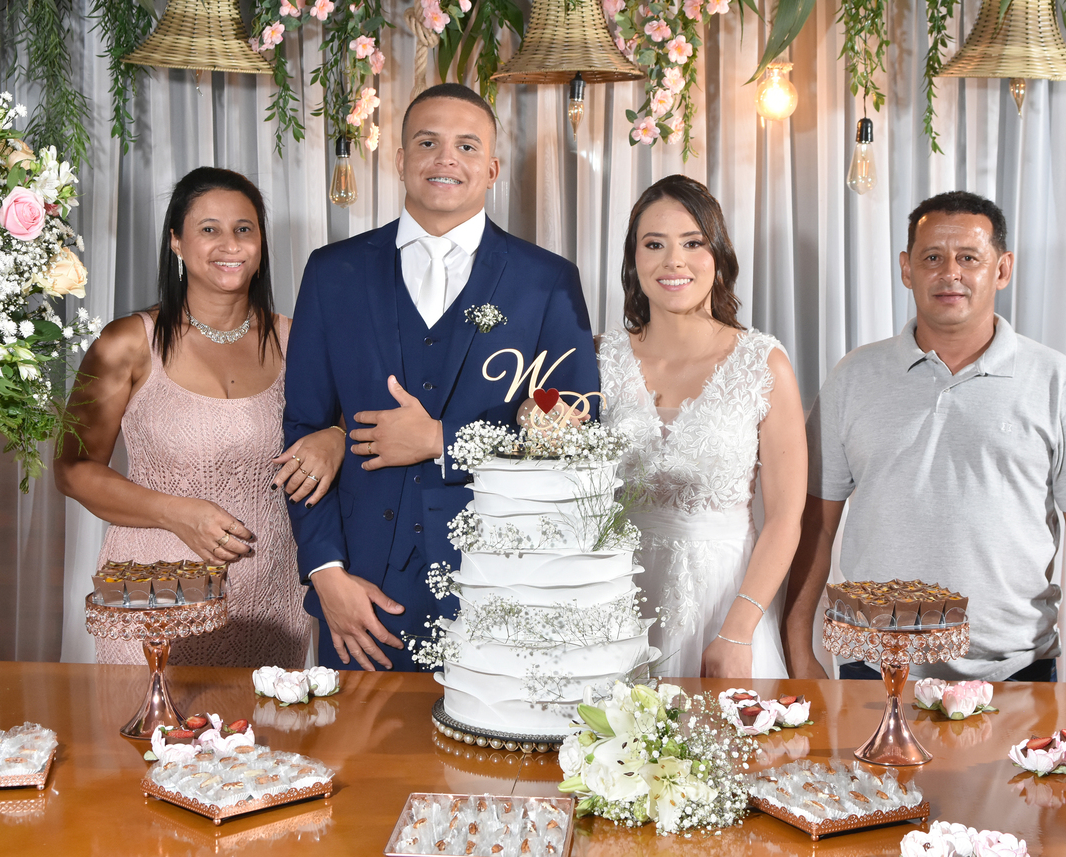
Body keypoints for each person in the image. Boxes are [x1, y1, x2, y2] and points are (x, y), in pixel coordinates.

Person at [283, 83, 600, 672]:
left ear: (493, 168)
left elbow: (578, 431)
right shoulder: (333, 272)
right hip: (362, 596)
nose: (446, 158)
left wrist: (442, 442)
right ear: (400, 160)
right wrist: (326, 574)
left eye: (467, 145)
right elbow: (303, 430)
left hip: (500, 586)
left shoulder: (547, 281)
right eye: (427, 142)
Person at [782, 190, 1066, 683]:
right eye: (932, 258)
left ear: (1002, 269)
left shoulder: (1055, 380)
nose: (951, 274)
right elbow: (814, 523)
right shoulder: (854, 376)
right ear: (907, 269)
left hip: (1016, 668)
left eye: (969, 257)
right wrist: (798, 648)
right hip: (874, 667)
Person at [56, 167, 344, 668]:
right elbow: (73, 470)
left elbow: (342, 431)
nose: (229, 244)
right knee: (148, 741)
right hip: (156, 594)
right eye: (208, 229)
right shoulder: (127, 342)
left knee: (264, 744)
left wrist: (337, 436)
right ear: (176, 242)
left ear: (261, 244)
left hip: (271, 602)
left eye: (244, 229)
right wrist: (180, 515)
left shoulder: (301, 340)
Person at [598, 175, 806, 678]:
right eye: (655, 245)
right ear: (634, 259)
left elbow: (784, 519)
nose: (674, 261)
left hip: (724, 604)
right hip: (613, 604)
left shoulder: (763, 363)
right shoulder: (597, 358)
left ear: (717, 255)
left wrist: (737, 631)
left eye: (693, 243)